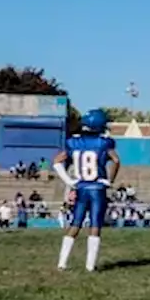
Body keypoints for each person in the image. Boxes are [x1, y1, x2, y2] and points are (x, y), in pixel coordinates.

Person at [53, 109, 119, 271]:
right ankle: (90, 266)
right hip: (97, 188)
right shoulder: (104, 142)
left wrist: (70, 181)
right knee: (95, 225)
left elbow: (56, 162)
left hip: (81, 186)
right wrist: (109, 180)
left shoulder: (73, 142)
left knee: (75, 223)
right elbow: (116, 160)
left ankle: (62, 263)